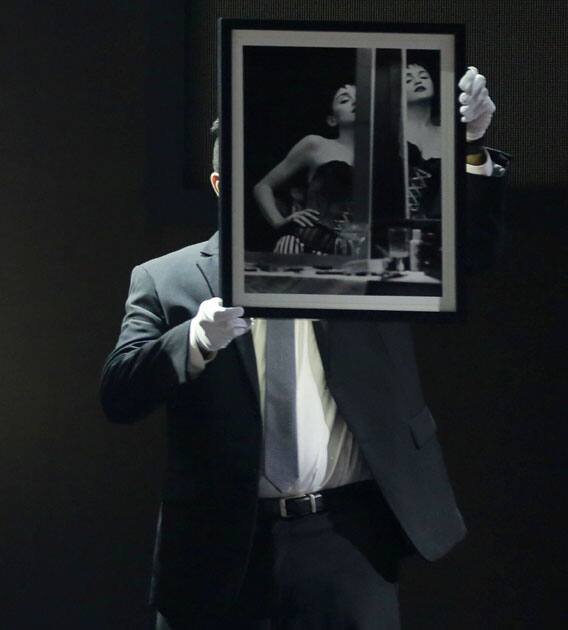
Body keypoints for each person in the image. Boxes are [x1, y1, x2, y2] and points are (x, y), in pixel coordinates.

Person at [100, 67, 505, 629]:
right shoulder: (167, 279)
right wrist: (193, 338)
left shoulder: (371, 265)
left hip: (349, 540)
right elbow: (118, 393)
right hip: (224, 549)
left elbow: (470, 251)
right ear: (222, 185)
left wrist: (476, 148)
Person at [252, 83, 356, 254]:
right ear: (332, 119)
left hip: (359, 251)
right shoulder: (316, 145)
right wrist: (280, 222)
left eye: (361, 97)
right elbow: (262, 187)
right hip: (309, 246)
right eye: (345, 100)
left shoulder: (381, 154)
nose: (355, 102)